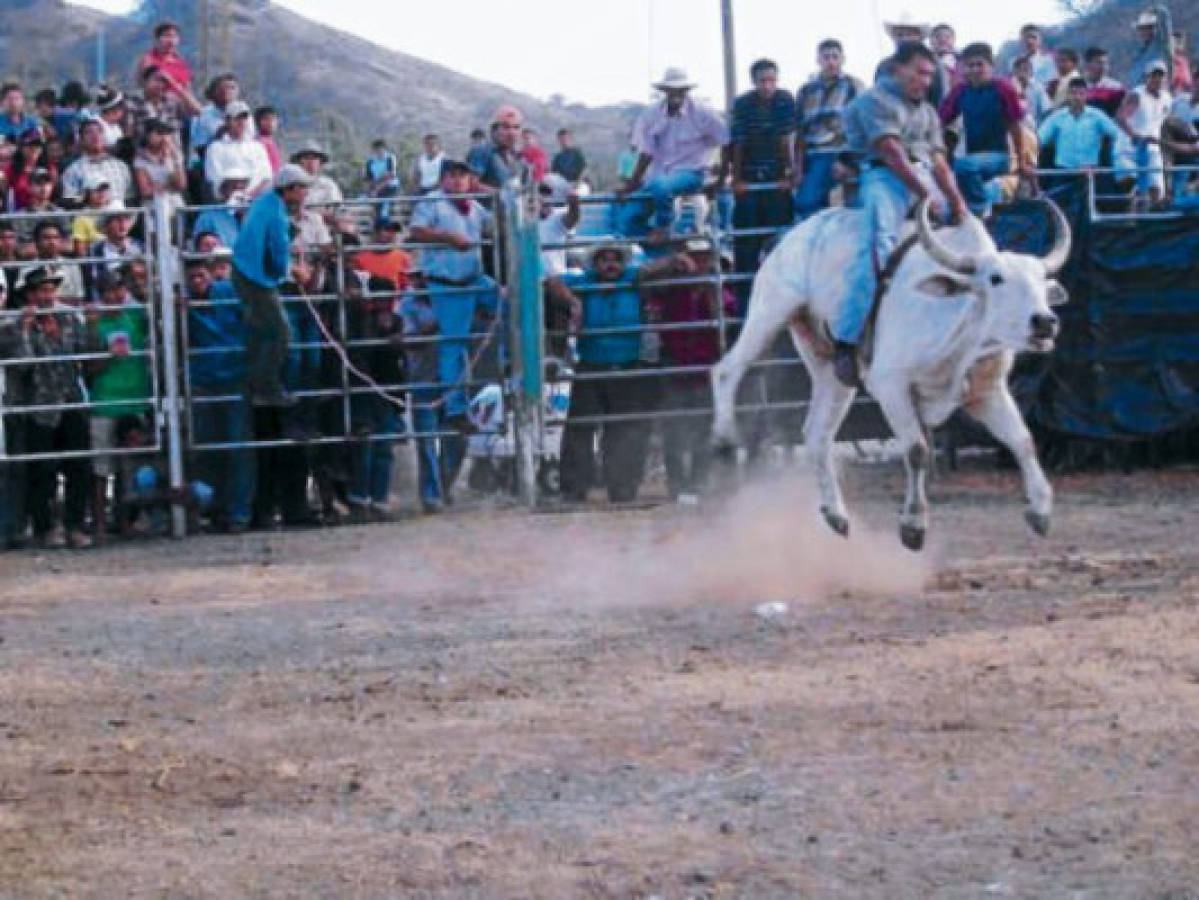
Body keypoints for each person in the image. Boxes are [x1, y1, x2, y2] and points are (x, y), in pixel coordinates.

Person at [836, 41, 968, 388]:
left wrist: (958, 203)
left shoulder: (927, 112)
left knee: (966, 240)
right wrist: (929, 196)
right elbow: (892, 154)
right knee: (878, 246)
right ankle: (847, 340)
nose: (925, 80)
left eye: (929, 74)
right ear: (898, 68)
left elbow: (939, 161)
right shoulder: (873, 101)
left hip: (921, 174)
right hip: (883, 176)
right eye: (920, 72)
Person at [406, 158, 499, 512]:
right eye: (454, 176)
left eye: (464, 176)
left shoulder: (474, 208)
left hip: (469, 282)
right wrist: (447, 237)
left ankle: (496, 368)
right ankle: (457, 405)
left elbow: (497, 227)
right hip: (449, 286)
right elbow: (415, 232)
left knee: (502, 303)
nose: (459, 181)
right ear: (444, 178)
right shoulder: (432, 203)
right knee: (452, 348)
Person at [559, 240, 656, 503]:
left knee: (625, 430)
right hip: (592, 364)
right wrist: (573, 303)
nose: (611, 264)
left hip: (627, 364)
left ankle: (623, 488)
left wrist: (674, 261)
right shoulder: (585, 281)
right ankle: (574, 489)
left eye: (616, 259)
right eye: (605, 259)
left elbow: (654, 270)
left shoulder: (633, 278)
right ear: (596, 263)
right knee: (580, 429)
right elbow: (550, 282)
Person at [640, 239, 736, 502]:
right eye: (696, 256)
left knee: (703, 429)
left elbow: (723, 326)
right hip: (675, 363)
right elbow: (642, 279)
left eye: (705, 257)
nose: (700, 262)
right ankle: (678, 485)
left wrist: (709, 289)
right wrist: (671, 263)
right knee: (674, 429)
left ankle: (698, 483)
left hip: (706, 368)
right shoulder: (671, 287)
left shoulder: (720, 292)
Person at [8, 265, 92, 549]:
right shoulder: (14, 324)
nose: (47, 296)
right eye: (41, 290)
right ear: (29, 295)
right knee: (42, 470)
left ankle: (75, 525)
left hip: (70, 400)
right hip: (39, 405)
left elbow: (83, 350)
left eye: (50, 289)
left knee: (78, 466)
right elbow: (23, 364)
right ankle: (45, 526)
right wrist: (25, 330)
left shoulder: (68, 316)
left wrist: (59, 335)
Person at [232, 163, 314, 408]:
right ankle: (266, 387)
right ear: (289, 190)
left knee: (261, 332)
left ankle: (252, 386)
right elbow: (278, 254)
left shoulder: (265, 202)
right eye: (302, 188)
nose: (305, 194)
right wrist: (290, 271)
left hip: (244, 270)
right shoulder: (277, 214)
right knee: (280, 333)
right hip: (256, 278)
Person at [182, 257, 255, 532]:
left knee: (238, 449)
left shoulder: (228, 293)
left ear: (210, 274)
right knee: (208, 449)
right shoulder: (184, 303)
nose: (197, 281)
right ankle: (215, 509)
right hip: (204, 381)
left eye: (200, 275)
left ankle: (238, 512)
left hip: (234, 378)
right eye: (192, 277)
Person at [617, 67, 729, 242]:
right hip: (658, 174)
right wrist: (632, 183)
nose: (676, 94)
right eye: (672, 90)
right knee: (627, 219)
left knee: (662, 186)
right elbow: (646, 152)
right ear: (665, 92)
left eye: (681, 90)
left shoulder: (703, 113)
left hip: (692, 172)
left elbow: (726, 141)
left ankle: (664, 227)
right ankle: (667, 249)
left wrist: (721, 179)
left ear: (686, 91)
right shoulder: (651, 114)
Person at [84, 269, 151, 542]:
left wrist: (141, 283)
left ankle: (125, 522)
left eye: (120, 289)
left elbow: (157, 316)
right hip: (103, 401)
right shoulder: (94, 325)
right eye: (110, 290)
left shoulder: (135, 316)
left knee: (130, 468)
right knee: (101, 468)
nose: (116, 295)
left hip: (135, 399)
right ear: (101, 295)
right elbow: (88, 369)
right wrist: (107, 356)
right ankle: (100, 523)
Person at [729, 58, 794, 306]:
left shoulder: (784, 100)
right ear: (754, 82)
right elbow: (739, 142)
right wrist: (737, 178)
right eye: (762, 81)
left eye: (771, 81)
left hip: (776, 177)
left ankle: (784, 305)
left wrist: (787, 173)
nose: (768, 86)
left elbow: (785, 138)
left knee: (780, 241)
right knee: (746, 245)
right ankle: (743, 308)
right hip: (749, 175)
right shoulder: (743, 104)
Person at [939, 43, 1028, 217]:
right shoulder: (960, 91)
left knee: (963, 166)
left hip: (1000, 157)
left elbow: (1016, 127)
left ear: (991, 66)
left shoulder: (1003, 88)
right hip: (974, 159)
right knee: (947, 201)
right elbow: (940, 121)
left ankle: (981, 210)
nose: (975, 70)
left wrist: (1022, 162)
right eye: (970, 65)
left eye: (980, 64)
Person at [345, 274, 405, 521]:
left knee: (383, 448)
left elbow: (400, 351)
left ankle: (379, 500)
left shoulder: (397, 321)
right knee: (366, 446)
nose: (383, 302)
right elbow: (358, 351)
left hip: (388, 391)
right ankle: (360, 499)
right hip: (367, 389)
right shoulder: (362, 319)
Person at [793, 41, 862, 221]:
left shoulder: (853, 86)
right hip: (811, 154)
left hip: (838, 153)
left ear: (842, 59)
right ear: (818, 60)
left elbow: (860, 125)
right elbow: (799, 130)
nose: (830, 62)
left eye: (835, 57)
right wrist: (797, 167)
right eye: (826, 57)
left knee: (809, 201)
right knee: (809, 205)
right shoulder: (806, 90)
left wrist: (848, 161)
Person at [1039, 78, 1128, 172]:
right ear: (1068, 95)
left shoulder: (1097, 116)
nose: (1077, 97)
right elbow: (1040, 139)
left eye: (1081, 94)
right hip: (1063, 171)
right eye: (1073, 93)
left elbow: (1117, 135)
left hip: (1090, 172)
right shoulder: (1057, 117)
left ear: (1087, 95)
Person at [1119, 61, 1172, 206]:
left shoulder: (1167, 98)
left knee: (1156, 189)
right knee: (1130, 182)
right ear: (1146, 77)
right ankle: (1130, 217)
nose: (1157, 79)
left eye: (1161, 76)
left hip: (1153, 149)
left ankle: (1151, 223)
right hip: (1130, 148)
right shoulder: (1137, 95)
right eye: (1154, 75)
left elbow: (1164, 123)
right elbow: (1121, 117)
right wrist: (1135, 135)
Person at [205, 100, 272, 200]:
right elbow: (215, 179)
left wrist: (250, 196)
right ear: (227, 121)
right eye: (237, 118)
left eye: (244, 118)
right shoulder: (215, 148)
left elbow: (266, 178)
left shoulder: (258, 147)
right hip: (226, 203)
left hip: (255, 201)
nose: (241, 122)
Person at [875, 14, 947, 105]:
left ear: (920, 38)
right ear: (893, 38)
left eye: (909, 34)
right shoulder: (884, 65)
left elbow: (940, 98)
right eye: (899, 35)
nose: (904, 39)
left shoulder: (933, 63)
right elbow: (877, 96)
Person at [61, 118, 133, 207]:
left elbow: (130, 198)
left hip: (120, 218)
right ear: (81, 140)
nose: (95, 135)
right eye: (89, 132)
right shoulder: (73, 171)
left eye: (99, 131)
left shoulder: (121, 166)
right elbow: (69, 201)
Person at [133, 118, 186, 211]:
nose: (164, 137)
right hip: (153, 205)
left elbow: (181, 184)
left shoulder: (175, 155)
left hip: (175, 203)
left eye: (166, 133)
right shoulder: (140, 159)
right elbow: (145, 191)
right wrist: (170, 186)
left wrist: (168, 159)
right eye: (159, 133)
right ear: (147, 135)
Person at [136, 20, 193, 99]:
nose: (171, 40)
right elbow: (146, 87)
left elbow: (187, 88)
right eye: (167, 36)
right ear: (158, 39)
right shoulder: (148, 60)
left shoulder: (182, 64)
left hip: (183, 104)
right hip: (160, 103)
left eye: (174, 36)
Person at [353, 216, 412, 290]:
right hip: (369, 300)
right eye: (387, 230)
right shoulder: (360, 259)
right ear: (376, 232)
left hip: (395, 300)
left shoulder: (403, 257)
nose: (391, 234)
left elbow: (406, 286)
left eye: (394, 231)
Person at [5, 128, 54, 212]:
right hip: (18, 213)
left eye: (37, 145)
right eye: (30, 145)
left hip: (44, 211)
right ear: (21, 147)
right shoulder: (10, 169)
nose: (34, 148)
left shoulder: (49, 167)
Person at [478, 105, 526, 189]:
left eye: (516, 127)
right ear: (494, 130)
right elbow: (471, 183)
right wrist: (497, 193)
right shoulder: (482, 152)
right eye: (506, 127)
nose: (511, 133)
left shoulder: (518, 157)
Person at [1128, 10, 1169, 91]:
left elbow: (1164, 20)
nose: (1144, 32)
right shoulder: (1138, 55)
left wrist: (1156, 9)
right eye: (1141, 29)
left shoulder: (1159, 45)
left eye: (1147, 28)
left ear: (1154, 29)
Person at [1083, 46, 1126, 116]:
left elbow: (1121, 116)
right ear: (1087, 65)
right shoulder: (1079, 87)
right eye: (1099, 63)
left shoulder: (1116, 88)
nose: (1104, 67)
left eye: (1106, 63)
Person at [1013, 55, 1052, 129]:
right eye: (1019, 69)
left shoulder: (1038, 88)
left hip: (1034, 129)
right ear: (1015, 72)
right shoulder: (1010, 88)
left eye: (1025, 69)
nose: (1022, 73)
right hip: (1016, 130)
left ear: (1031, 72)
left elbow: (1046, 110)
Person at [1012, 23, 1057, 87]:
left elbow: (1052, 85)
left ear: (1040, 39)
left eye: (1033, 37)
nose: (1030, 41)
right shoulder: (1016, 63)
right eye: (1026, 38)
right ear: (1021, 40)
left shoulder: (1048, 61)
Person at [364, 138, 400, 218]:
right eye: (376, 149)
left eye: (380, 149)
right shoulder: (370, 161)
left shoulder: (390, 158)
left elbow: (390, 176)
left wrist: (377, 189)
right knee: (374, 210)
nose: (378, 152)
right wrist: (369, 191)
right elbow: (369, 178)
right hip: (376, 188)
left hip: (390, 188)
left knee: (385, 211)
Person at [254, 106, 283, 175]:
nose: (270, 123)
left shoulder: (272, 142)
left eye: (273, 119)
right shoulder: (258, 143)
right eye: (266, 119)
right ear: (258, 122)